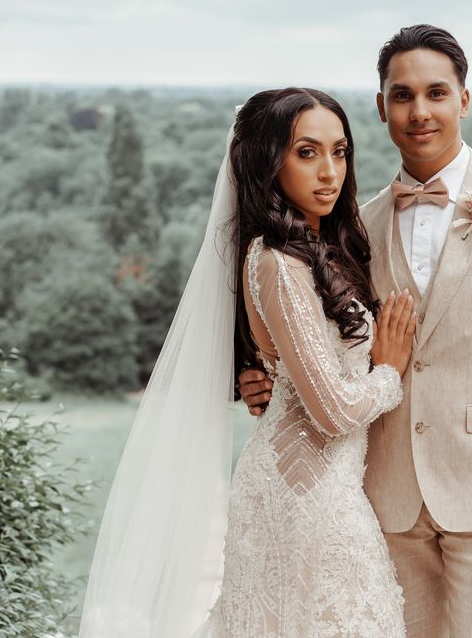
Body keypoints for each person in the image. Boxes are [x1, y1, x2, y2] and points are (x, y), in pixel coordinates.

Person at [240, 25, 472, 638]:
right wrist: (255, 367)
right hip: (381, 496)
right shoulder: (353, 224)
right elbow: (296, 312)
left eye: (436, 93)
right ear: (381, 108)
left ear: (464, 100)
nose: (419, 112)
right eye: (402, 96)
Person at [79, 88, 415, 638]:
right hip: (303, 499)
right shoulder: (278, 263)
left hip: (321, 490)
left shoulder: (314, 248)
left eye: (340, 151)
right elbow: (330, 410)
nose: (329, 171)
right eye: (306, 153)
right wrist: (388, 371)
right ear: (267, 161)